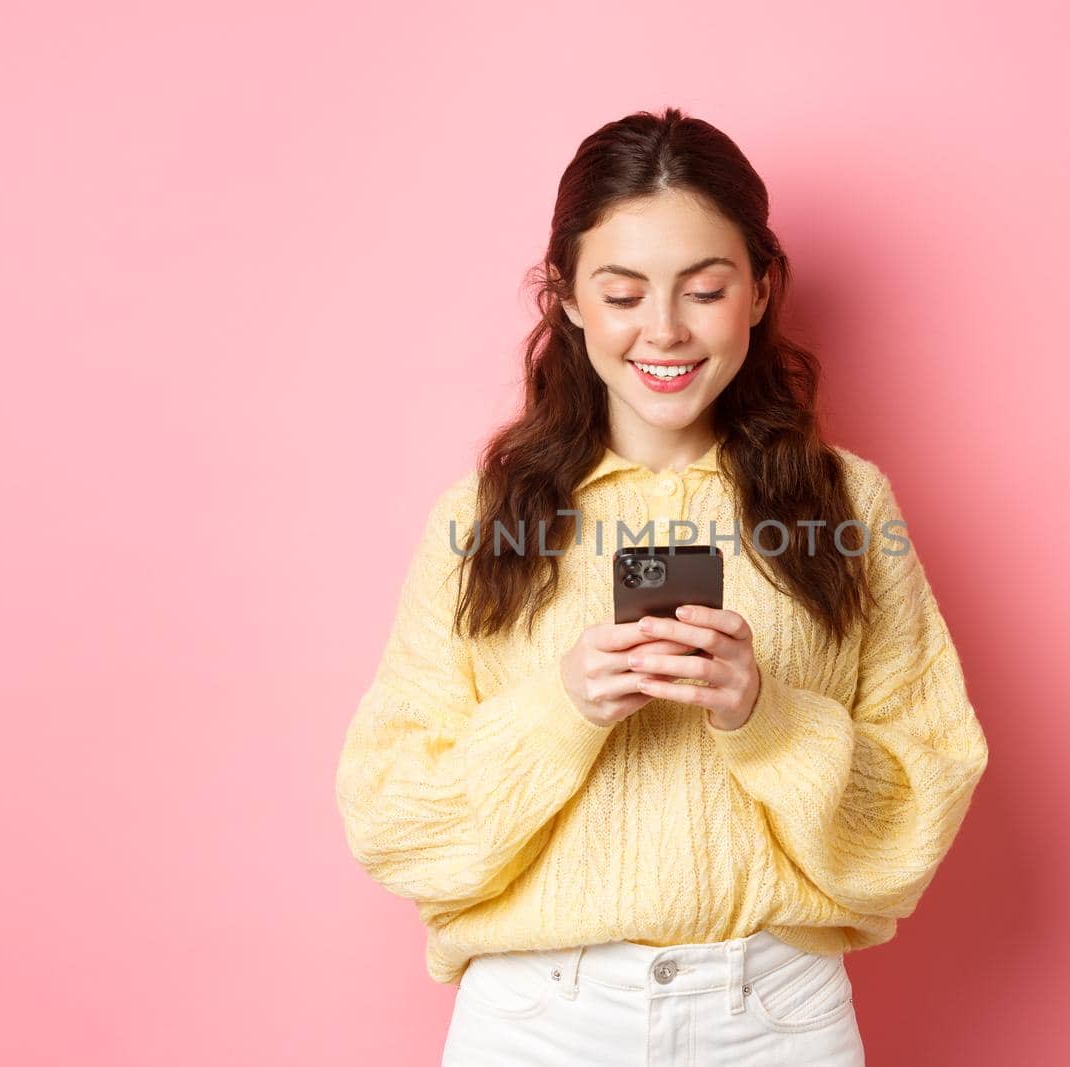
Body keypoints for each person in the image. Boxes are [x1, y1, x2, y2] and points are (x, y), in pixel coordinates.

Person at [334, 106, 991, 1066]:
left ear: (761, 290)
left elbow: (920, 806)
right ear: (566, 298)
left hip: (774, 1018)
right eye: (624, 291)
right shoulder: (481, 517)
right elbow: (393, 817)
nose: (666, 329)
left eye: (706, 287)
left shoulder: (847, 503)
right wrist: (563, 709)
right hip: (537, 1021)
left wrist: (766, 715)